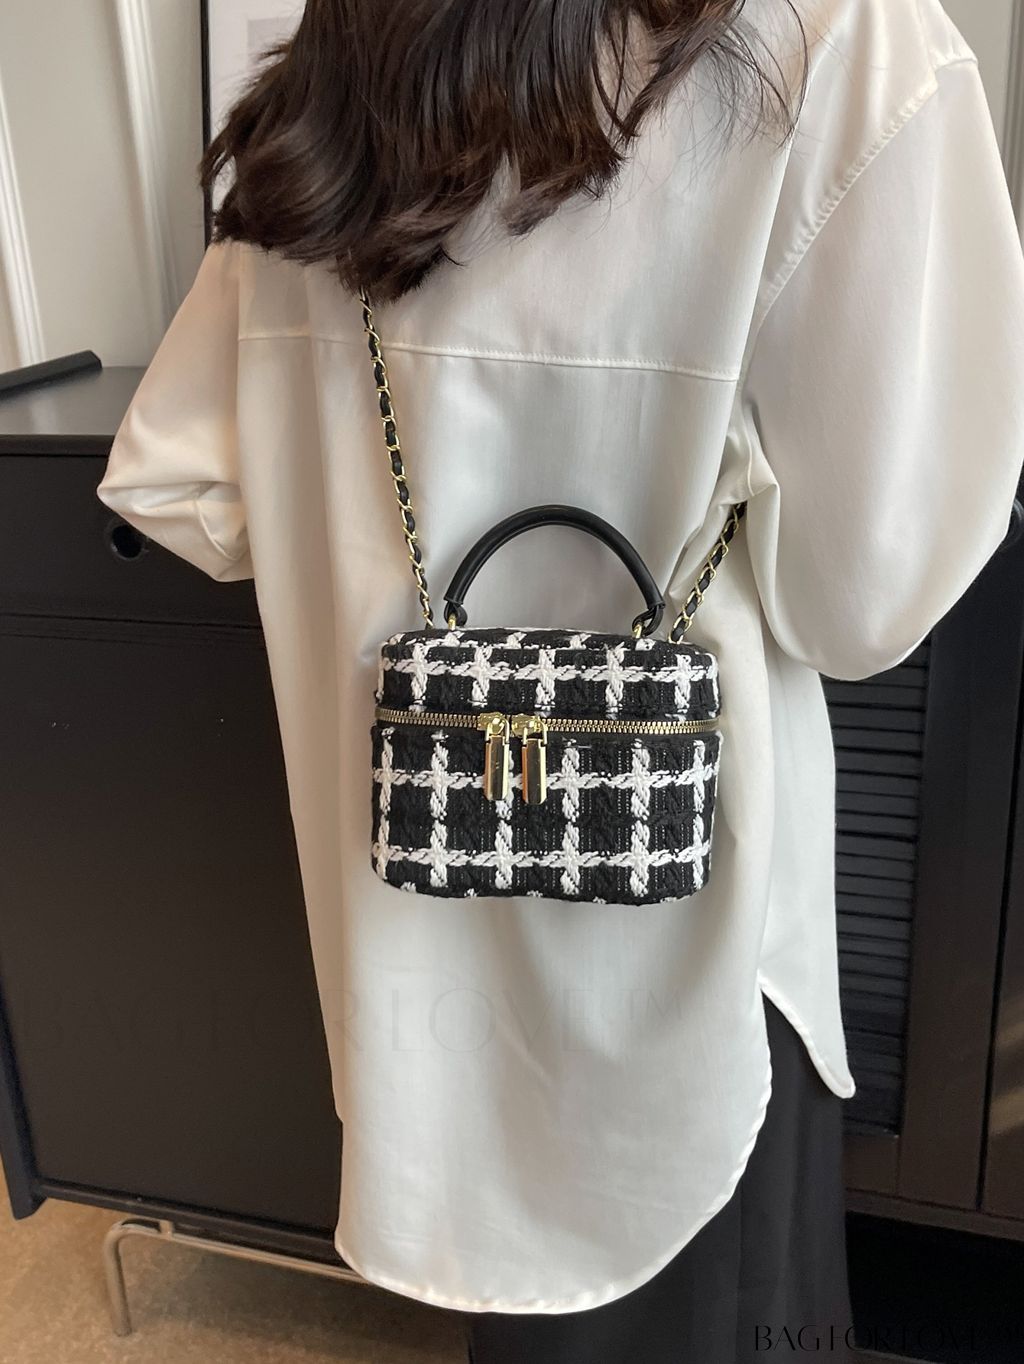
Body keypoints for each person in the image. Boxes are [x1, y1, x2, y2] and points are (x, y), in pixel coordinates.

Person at [96, 1, 1024, 1359]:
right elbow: (863, 601)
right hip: (699, 956)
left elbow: (180, 483)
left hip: (413, 974)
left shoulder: (354, 52)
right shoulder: (843, 39)